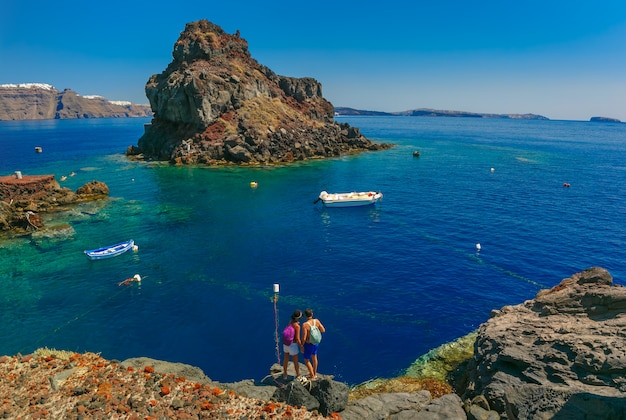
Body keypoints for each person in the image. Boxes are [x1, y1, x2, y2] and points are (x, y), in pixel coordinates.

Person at [302, 308, 325, 380]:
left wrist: (302, 345)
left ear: (305, 316)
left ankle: (312, 376)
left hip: (308, 344)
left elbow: (304, 337)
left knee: (306, 360)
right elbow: (323, 330)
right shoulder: (317, 321)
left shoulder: (305, 325)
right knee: (314, 357)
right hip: (316, 343)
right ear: (312, 314)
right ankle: (314, 373)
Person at [282, 309, 303, 380]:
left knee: (286, 359)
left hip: (286, 344)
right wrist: (301, 346)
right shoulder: (297, 326)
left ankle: (285, 374)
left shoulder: (290, 322)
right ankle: (298, 375)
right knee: (295, 361)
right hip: (292, 345)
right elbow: (297, 338)